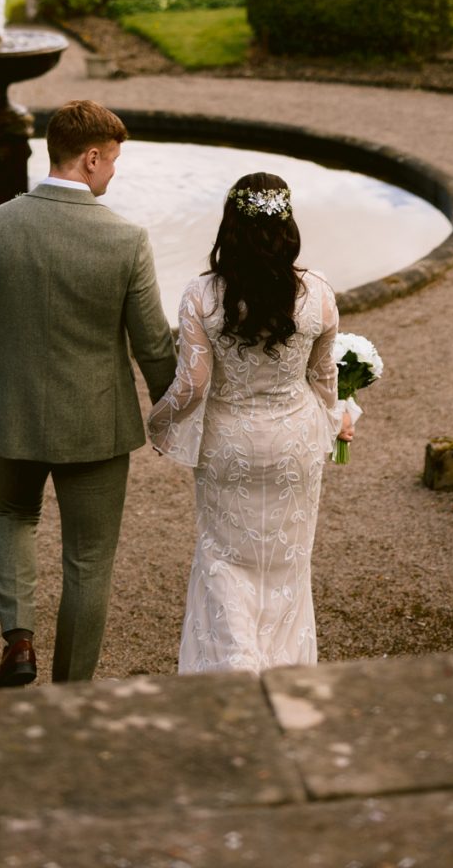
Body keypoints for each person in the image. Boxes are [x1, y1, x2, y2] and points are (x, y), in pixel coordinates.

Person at [0, 98, 177, 690]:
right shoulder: (126, 239)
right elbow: (152, 345)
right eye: (114, 160)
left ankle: (18, 640)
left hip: (13, 413)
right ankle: (72, 694)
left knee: (12, 515)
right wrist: (174, 414)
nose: (115, 172)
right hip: (97, 424)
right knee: (88, 562)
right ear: (92, 157)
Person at [147, 171, 353, 674]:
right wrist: (336, 421)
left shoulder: (201, 296)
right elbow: (324, 379)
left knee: (224, 560)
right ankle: (284, 675)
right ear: (287, 227)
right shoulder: (319, 293)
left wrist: (158, 423)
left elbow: (193, 385)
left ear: (230, 228)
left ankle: (234, 663)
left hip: (228, 445)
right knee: (287, 564)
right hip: (295, 445)